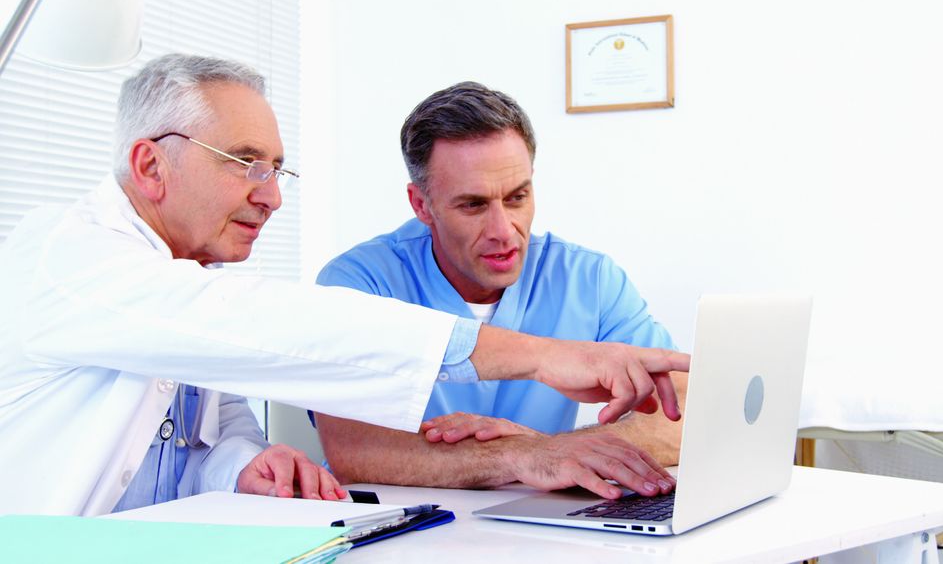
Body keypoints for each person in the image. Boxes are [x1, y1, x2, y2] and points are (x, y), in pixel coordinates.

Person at [0, 56, 688, 516]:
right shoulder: (65, 260)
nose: (270, 197)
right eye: (243, 164)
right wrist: (540, 359)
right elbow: (273, 326)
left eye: (276, 168)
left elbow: (213, 439)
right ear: (150, 164)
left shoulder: (191, 276)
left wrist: (243, 464)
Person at [315, 82, 688, 500]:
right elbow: (353, 448)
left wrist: (548, 447)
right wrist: (524, 454)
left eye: (517, 197)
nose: (503, 231)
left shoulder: (589, 278)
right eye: (473, 205)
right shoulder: (358, 282)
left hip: (544, 532)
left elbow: (683, 412)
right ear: (421, 205)